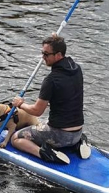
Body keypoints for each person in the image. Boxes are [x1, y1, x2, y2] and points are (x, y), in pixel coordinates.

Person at [11, 35, 91, 165]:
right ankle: (78, 143)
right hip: (77, 132)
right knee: (45, 122)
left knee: (16, 138)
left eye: (46, 54)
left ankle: (45, 153)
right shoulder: (77, 69)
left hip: (60, 136)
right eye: (42, 53)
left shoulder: (51, 80)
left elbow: (37, 111)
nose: (43, 57)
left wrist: (20, 104)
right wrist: (57, 40)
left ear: (59, 55)